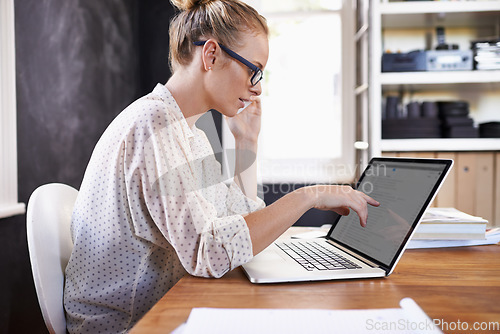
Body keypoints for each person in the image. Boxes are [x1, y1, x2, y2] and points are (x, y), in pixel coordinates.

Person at [63, 0, 379, 332]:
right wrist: (308, 197)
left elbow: (234, 222)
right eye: (253, 69)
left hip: (163, 305)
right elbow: (209, 252)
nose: (257, 88)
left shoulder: (190, 132)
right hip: (128, 324)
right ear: (211, 55)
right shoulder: (154, 125)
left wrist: (246, 143)